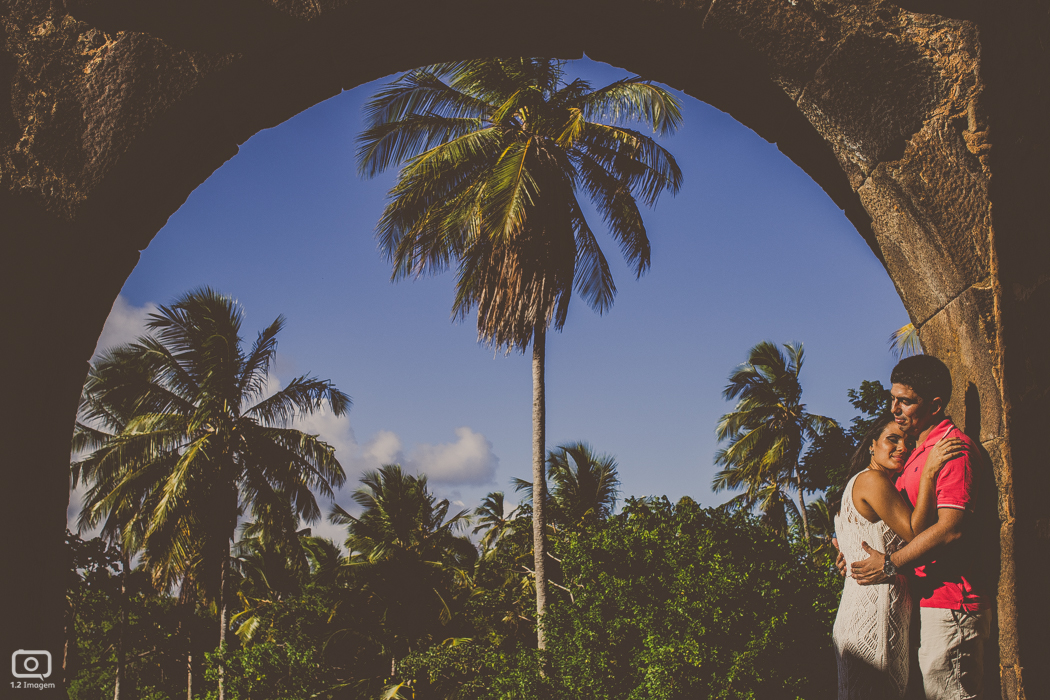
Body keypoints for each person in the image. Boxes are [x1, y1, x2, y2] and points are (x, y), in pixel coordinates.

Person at [845, 355, 990, 700]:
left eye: (906, 401)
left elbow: (951, 529)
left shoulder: (953, 449)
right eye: (892, 398)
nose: (894, 408)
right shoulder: (915, 454)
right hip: (924, 601)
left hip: (952, 602)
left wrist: (891, 562)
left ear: (935, 405)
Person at [833, 413, 964, 699]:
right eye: (892, 439)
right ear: (872, 445)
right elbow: (916, 532)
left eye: (907, 440)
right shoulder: (873, 480)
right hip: (874, 614)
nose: (902, 447)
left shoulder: (860, 483)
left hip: (865, 610)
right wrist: (929, 472)